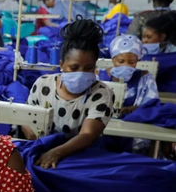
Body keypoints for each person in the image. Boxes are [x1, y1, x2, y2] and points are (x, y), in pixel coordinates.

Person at [22, 19, 112, 168]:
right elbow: (26, 117)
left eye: (88, 68)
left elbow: (87, 135)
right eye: (74, 67)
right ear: (62, 64)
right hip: (44, 152)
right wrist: (35, 139)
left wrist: (56, 153)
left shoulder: (102, 93)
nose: (81, 73)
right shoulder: (43, 84)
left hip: (82, 157)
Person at [99, 34, 159, 116]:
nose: (126, 65)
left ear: (137, 61)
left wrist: (132, 109)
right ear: (113, 59)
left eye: (132, 62)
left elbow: (151, 105)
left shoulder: (145, 78)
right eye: (121, 61)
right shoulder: (99, 76)